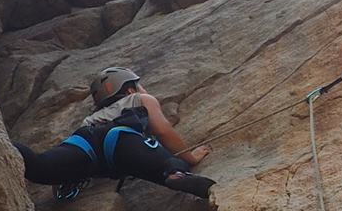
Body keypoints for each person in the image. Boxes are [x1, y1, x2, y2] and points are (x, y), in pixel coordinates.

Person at [13, 65, 215, 200]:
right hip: (121, 138)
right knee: (166, 166)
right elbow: (163, 131)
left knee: (40, 166)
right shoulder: (140, 99)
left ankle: (7, 147)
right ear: (129, 90)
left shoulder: (92, 118)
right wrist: (190, 157)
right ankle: (177, 174)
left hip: (84, 144)